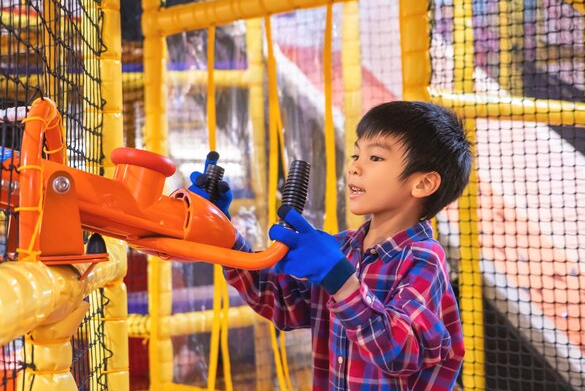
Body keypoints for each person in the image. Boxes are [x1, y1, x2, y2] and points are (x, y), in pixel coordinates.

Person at [191, 101, 471, 390]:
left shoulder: (423, 258)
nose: (354, 168)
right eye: (355, 154)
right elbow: (280, 302)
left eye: (374, 158)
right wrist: (222, 233)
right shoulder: (343, 248)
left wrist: (341, 281)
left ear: (423, 184)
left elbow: (400, 353)